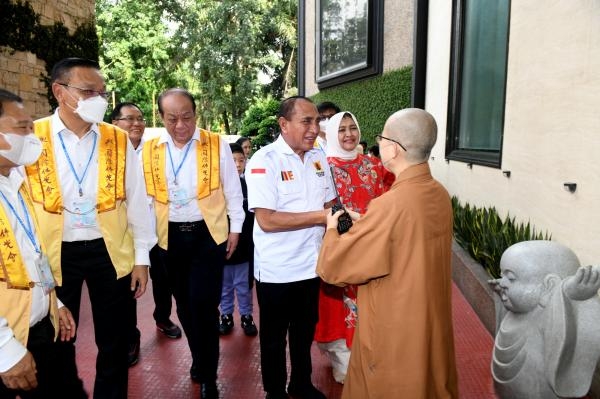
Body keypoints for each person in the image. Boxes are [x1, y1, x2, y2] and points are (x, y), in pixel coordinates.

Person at [24, 58, 157, 399]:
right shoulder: (32, 138)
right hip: (54, 255)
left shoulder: (117, 138)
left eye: (101, 92)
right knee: (57, 338)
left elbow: (137, 200)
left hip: (109, 251)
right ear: (59, 92)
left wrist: (141, 257)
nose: (98, 98)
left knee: (115, 341)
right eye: (88, 91)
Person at [317, 108, 459, 398]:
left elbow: (334, 267)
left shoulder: (390, 205)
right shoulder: (439, 194)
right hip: (429, 319)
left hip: (397, 325)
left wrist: (333, 228)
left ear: (393, 148)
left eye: (382, 137)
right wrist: (368, 223)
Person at [141, 88, 244, 399]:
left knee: (204, 304)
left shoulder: (216, 144)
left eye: (187, 117)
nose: (180, 125)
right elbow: (143, 198)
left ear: (196, 114)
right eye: (172, 119)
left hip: (207, 235)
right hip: (167, 237)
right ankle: (200, 358)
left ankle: (208, 373)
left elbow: (232, 189)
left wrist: (235, 227)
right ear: (160, 117)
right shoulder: (149, 149)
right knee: (184, 305)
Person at [245, 96, 336, 399]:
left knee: (303, 333)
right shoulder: (264, 161)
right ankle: (275, 392)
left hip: (311, 266)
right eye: (306, 122)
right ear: (284, 124)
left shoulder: (319, 157)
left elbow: (329, 204)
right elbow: (267, 220)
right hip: (277, 271)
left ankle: (301, 383)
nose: (314, 129)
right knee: (273, 339)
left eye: (317, 122)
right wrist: (322, 217)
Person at [0, 89, 86, 398]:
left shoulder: (15, 182)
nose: (31, 133)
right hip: (10, 343)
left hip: (41, 326)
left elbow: (30, 252)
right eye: (21, 127)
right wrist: (5, 352)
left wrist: (55, 300)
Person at [314, 111, 387, 384]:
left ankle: (369, 354)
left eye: (352, 128)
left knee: (370, 303)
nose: (348, 134)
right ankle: (342, 359)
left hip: (371, 245)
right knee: (339, 306)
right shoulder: (323, 167)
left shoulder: (374, 165)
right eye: (341, 129)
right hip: (340, 248)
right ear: (332, 134)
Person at [111, 103, 182, 368]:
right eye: (129, 119)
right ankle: (131, 337)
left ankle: (163, 317)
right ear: (114, 122)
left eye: (140, 119)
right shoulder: (109, 151)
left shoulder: (155, 150)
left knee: (164, 280)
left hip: (156, 228)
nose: (136, 124)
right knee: (129, 287)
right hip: (124, 233)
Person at [489, 241, 600, 399]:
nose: (503, 283)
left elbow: (562, 295)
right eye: (502, 275)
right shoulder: (514, 312)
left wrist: (573, 296)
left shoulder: (549, 315)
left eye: (511, 278)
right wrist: (502, 293)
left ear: (548, 287)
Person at [218, 143, 257, 337]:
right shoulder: (217, 186)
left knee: (244, 285)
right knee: (224, 285)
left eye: (241, 160)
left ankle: (246, 315)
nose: (237, 164)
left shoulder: (250, 185)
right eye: (233, 160)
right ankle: (225, 315)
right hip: (223, 246)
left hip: (244, 248)